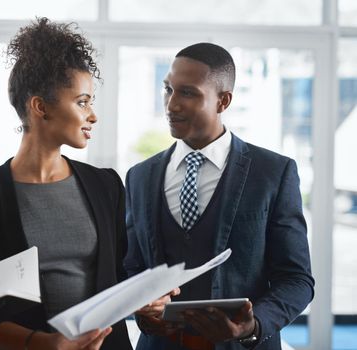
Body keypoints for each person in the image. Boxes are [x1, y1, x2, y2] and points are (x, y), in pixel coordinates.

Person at [0, 18, 132, 350]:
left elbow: (118, 276)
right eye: (82, 102)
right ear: (40, 107)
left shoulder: (105, 185)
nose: (93, 115)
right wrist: (43, 344)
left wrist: (147, 301)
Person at [124, 42, 315, 350]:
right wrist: (142, 309)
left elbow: (297, 280)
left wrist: (253, 325)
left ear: (223, 101)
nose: (171, 105)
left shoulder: (273, 173)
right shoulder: (139, 176)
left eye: (187, 93)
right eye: (167, 90)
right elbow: (132, 268)